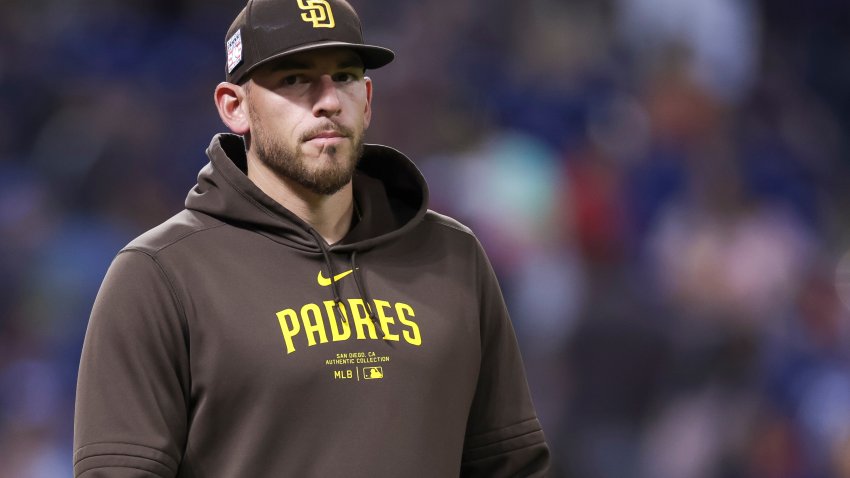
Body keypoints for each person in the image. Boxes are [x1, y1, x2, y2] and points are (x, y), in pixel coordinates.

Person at [73, 0, 550, 476]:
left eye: (343, 77)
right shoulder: (159, 274)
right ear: (234, 107)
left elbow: (510, 464)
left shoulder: (452, 255)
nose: (328, 100)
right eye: (295, 79)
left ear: (367, 99)